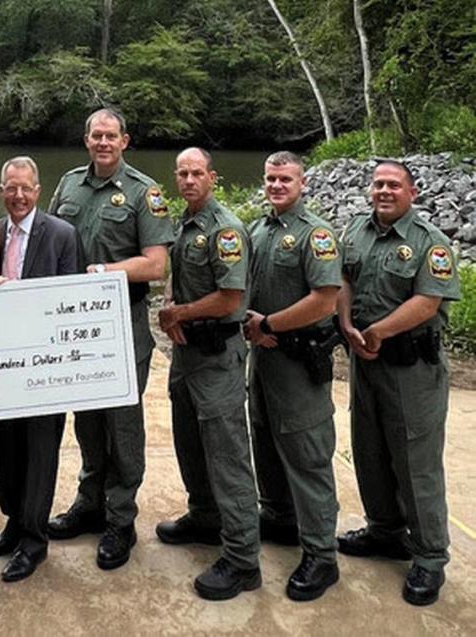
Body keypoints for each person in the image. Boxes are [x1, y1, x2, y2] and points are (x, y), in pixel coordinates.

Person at [45, 108, 172, 570]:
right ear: (86, 141)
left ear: (124, 141)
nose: (103, 142)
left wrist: (103, 272)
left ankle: (120, 519)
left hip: (122, 324)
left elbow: (156, 264)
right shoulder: (69, 184)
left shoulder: (144, 193)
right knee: (89, 422)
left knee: (121, 424)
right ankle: (89, 503)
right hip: (76, 327)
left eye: (110, 136)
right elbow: (49, 239)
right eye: (95, 135)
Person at [336, 160, 460, 606]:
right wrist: (348, 325)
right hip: (365, 361)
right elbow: (344, 280)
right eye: (378, 185)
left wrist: (379, 332)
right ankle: (385, 530)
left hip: (411, 369)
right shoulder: (356, 232)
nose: (383, 191)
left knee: (415, 461)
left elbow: (428, 302)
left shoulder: (430, 243)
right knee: (369, 449)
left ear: (412, 191)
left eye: (393, 185)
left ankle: (429, 556)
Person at [156, 147, 260, 601]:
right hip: (187, 354)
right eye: (183, 173)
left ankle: (242, 560)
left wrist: (177, 312)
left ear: (212, 177)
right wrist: (173, 309)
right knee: (190, 443)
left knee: (227, 454)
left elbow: (231, 299)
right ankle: (204, 518)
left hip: (217, 355)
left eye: (197, 172)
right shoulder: (186, 223)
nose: (189, 179)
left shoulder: (225, 229)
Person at [0, 156, 79, 582]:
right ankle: (13, 524)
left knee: (40, 451)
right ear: (1, 190)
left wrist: (20, 293)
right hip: (2, 364)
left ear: (39, 190)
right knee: (8, 449)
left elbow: (69, 302)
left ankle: (34, 542)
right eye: (11, 188)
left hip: (44, 365)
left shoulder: (62, 234)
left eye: (26, 188)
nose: (18, 196)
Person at [243, 151, 341, 601]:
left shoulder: (314, 235)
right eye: (270, 179)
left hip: (298, 363)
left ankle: (322, 555)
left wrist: (269, 325)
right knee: (265, 441)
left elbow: (325, 300)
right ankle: (280, 519)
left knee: (307, 454)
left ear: (301, 183)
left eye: (285, 179)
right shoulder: (258, 230)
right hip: (263, 363)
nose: (276, 186)